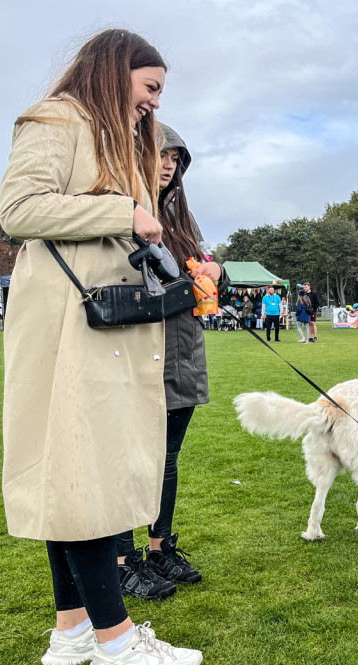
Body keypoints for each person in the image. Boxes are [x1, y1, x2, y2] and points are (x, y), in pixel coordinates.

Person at [0, 28, 202, 665]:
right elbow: (18, 208)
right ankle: (116, 645)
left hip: (99, 330)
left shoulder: (115, 139)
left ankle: (73, 630)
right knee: (82, 472)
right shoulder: (55, 120)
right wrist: (122, 210)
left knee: (74, 471)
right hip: (67, 328)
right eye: (149, 90)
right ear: (115, 73)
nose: (153, 105)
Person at [114, 122, 226, 600]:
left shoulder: (181, 216)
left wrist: (213, 267)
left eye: (176, 158)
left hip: (183, 347)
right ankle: (121, 561)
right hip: (139, 348)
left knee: (168, 458)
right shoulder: (122, 210)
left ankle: (160, 547)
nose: (169, 164)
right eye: (162, 154)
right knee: (129, 457)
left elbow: (199, 260)